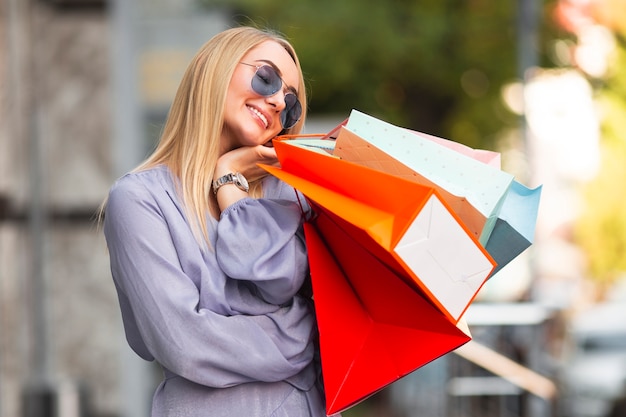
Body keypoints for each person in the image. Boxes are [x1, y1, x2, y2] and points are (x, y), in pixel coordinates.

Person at [101, 26, 336, 416]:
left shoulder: (290, 196)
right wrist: (302, 330)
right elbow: (184, 345)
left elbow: (278, 279)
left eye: (291, 102)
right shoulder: (140, 201)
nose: (279, 100)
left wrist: (230, 182)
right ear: (216, 70)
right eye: (267, 77)